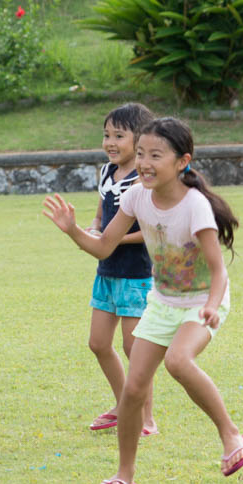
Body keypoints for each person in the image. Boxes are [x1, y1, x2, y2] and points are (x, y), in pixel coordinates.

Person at [42, 117, 243, 484]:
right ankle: (124, 474)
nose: (144, 163)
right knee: (133, 390)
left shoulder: (196, 207)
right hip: (162, 302)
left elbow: (218, 271)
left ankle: (232, 435)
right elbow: (104, 246)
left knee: (178, 361)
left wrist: (212, 307)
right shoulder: (136, 196)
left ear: (182, 161)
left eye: (156, 155)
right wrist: (74, 230)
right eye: (140, 154)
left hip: (201, 302)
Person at [85, 103, 158, 437]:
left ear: (139, 140)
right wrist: (95, 230)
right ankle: (122, 405)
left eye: (119, 135)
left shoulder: (144, 180)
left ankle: (147, 419)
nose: (110, 142)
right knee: (99, 344)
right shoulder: (105, 172)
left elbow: (152, 229)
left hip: (135, 274)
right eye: (106, 135)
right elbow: (101, 215)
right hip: (106, 271)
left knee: (135, 350)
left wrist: (115, 240)